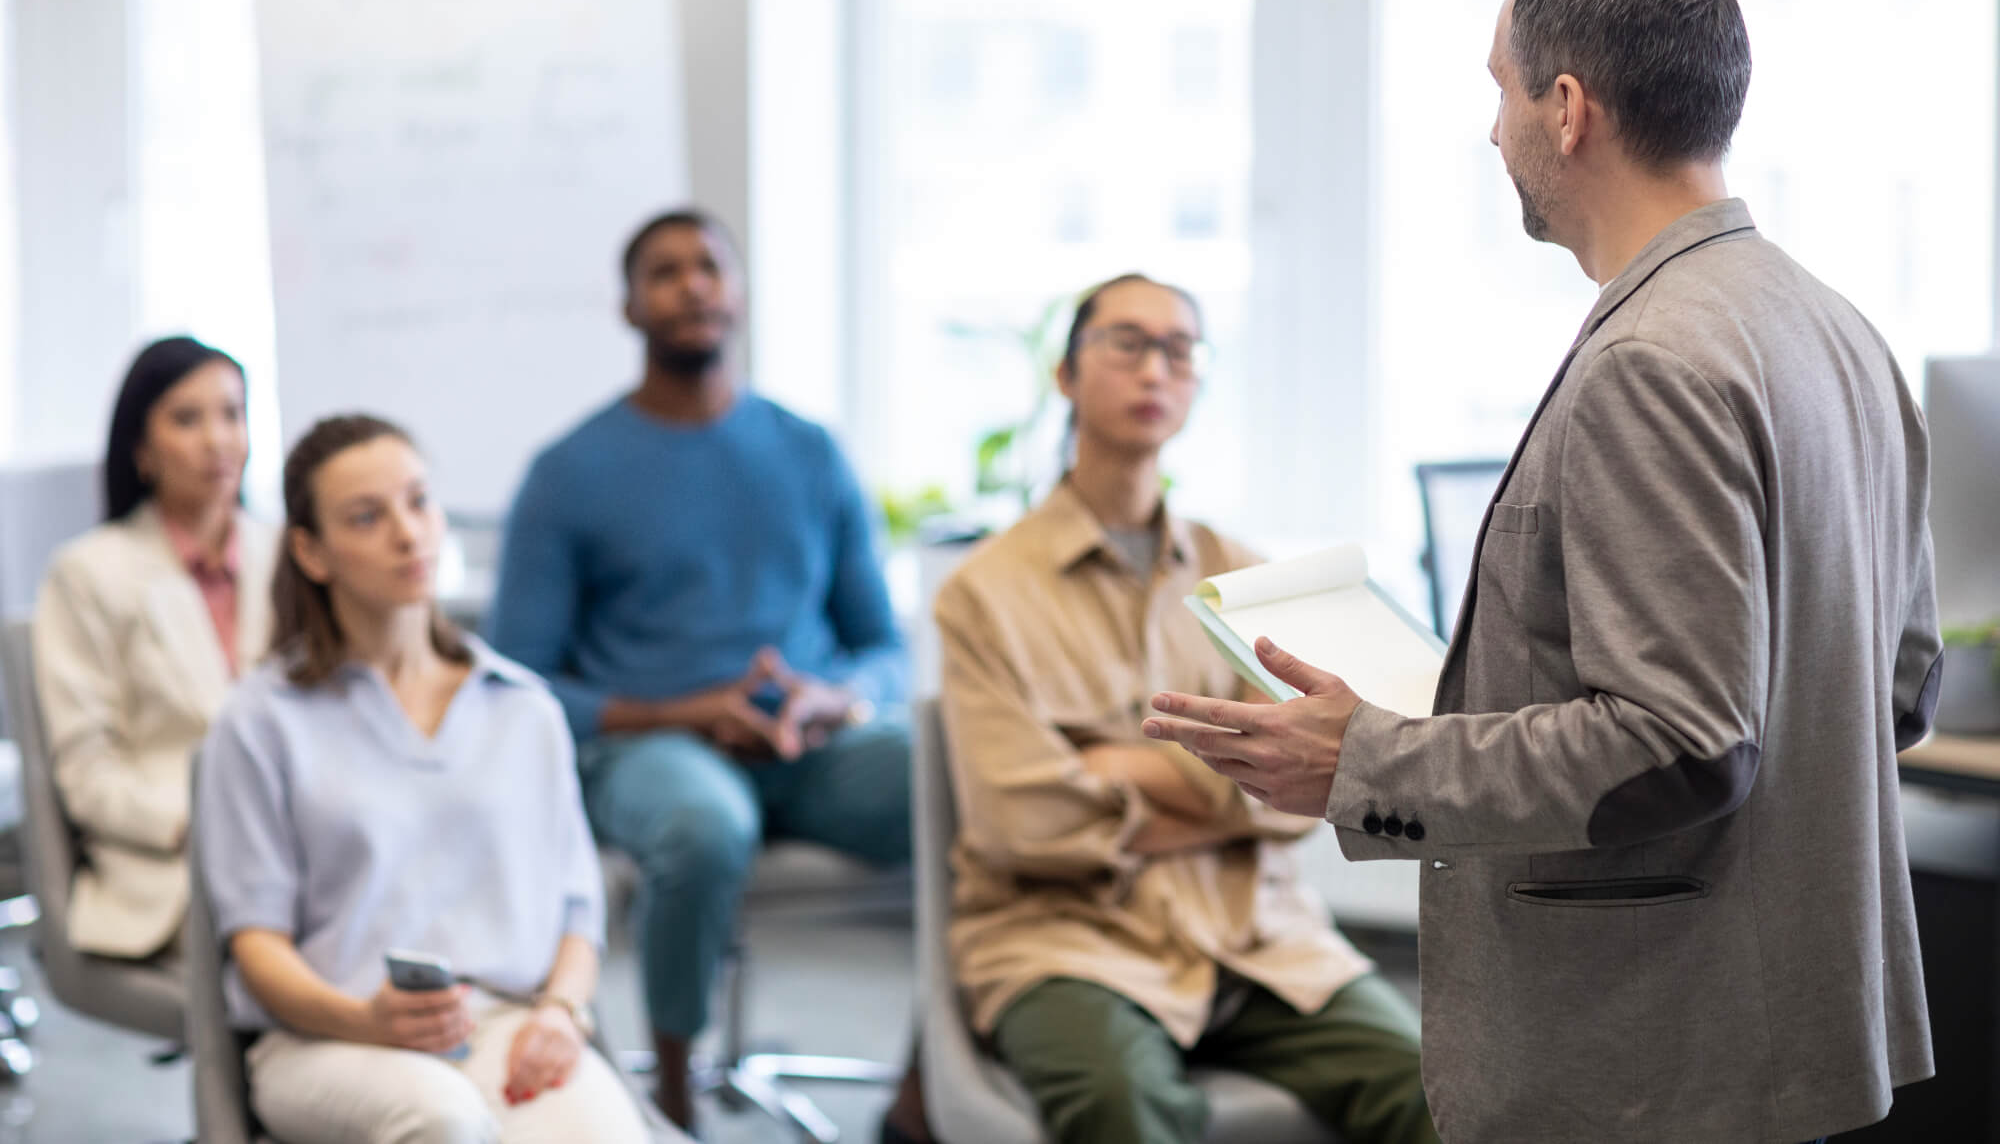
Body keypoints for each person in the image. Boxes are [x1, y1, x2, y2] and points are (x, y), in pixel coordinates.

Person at [1145, 0, 1940, 1143]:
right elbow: (1896, 687)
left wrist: (1363, 761)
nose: (1490, 129)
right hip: (1782, 1033)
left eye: (1498, 89)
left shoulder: (1651, 362)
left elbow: (1679, 743)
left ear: (1566, 108)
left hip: (1652, 1063)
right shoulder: (1832, 330)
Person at [935, 273, 1436, 1144]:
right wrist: (1225, 786)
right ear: (1065, 374)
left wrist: (1111, 767)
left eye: (1179, 350)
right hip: (1069, 945)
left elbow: (1304, 794)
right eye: (1127, 343)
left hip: (1259, 937)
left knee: (1443, 1088)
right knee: (1125, 1109)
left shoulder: (1241, 571)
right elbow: (1025, 824)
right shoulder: (983, 591)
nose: (1155, 369)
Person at [486, 208, 927, 1138]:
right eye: (665, 271)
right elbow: (516, 684)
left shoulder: (809, 451)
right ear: (629, 305)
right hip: (652, 749)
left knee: (958, 784)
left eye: (709, 267)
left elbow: (885, 646)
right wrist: (684, 711)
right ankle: (675, 1106)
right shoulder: (569, 473)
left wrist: (831, 697)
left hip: (805, 745)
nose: (692, 285)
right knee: (702, 823)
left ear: (739, 292)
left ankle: (930, 1078)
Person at [194, 415, 663, 1144]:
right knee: (445, 1121)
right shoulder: (260, 721)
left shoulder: (523, 709)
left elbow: (577, 910)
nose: (409, 534)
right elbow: (257, 945)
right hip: (330, 1037)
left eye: (418, 501)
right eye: (367, 516)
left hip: (505, 1020)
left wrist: (560, 1013)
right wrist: (363, 1020)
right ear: (312, 552)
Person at [33, 336, 277, 959]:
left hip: (290, 849)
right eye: (187, 419)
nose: (218, 439)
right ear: (141, 448)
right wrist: (196, 825)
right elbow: (88, 774)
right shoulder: (88, 573)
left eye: (232, 412)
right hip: (170, 868)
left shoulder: (286, 558)